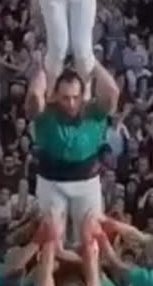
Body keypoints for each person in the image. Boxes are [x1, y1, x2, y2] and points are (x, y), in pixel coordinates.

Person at [27, 62, 119, 246]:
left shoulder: (94, 113)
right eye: (65, 98)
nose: (71, 103)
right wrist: (44, 68)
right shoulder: (46, 115)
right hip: (51, 181)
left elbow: (112, 91)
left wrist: (92, 62)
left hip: (86, 181)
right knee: (52, 240)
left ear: (83, 96)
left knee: (89, 238)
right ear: (55, 96)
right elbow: (34, 97)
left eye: (75, 97)